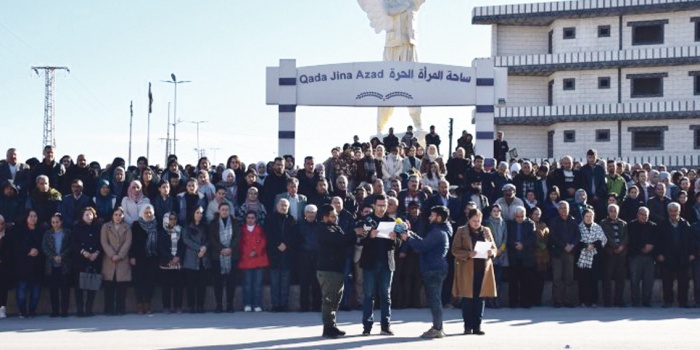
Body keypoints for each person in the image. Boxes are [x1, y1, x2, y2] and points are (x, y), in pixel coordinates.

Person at [400, 205, 451, 339]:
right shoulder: (439, 230)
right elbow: (424, 242)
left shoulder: (437, 232)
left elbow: (422, 246)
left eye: (432, 215)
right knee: (435, 299)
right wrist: (411, 234)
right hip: (436, 268)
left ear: (439, 218)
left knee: (435, 300)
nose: (429, 217)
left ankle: (437, 328)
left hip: (434, 269)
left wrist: (408, 239)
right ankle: (437, 326)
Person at [356, 195, 401, 336]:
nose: (382, 208)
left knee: (385, 295)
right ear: (374, 206)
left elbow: (398, 244)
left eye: (384, 205)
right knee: (369, 294)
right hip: (370, 262)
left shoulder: (391, 221)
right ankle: (367, 326)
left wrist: (395, 239)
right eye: (380, 205)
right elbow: (360, 240)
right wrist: (370, 236)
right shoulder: (368, 220)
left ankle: (385, 326)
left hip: (387, 263)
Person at [452, 208, 497, 335]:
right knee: (467, 299)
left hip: (483, 269)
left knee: (480, 298)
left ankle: (477, 326)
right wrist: (468, 254)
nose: (476, 223)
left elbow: (494, 248)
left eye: (478, 220)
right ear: (469, 220)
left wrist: (491, 253)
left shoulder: (486, 230)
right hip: (467, 270)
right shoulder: (461, 231)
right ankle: (467, 326)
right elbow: (454, 250)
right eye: (474, 221)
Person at [316, 204, 356, 338]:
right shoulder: (322, 228)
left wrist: (358, 233)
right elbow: (339, 240)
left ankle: (332, 325)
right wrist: (354, 232)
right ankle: (327, 328)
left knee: (336, 299)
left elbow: (346, 241)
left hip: (337, 268)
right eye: (333, 216)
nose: (336, 218)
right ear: (325, 217)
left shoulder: (335, 227)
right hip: (327, 269)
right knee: (329, 299)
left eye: (336, 216)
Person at [656, 202, 695, 308]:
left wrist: (691, 253)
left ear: (679, 211)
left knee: (684, 281)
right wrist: (659, 254)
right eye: (671, 211)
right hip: (667, 257)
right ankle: (668, 301)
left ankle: (683, 302)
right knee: (667, 281)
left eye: (675, 211)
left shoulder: (685, 224)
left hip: (682, 257)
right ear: (668, 211)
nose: (673, 213)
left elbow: (691, 240)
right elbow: (658, 241)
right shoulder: (662, 224)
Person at [265, 198, 297, 312]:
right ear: (277, 206)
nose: (283, 207)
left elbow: (294, 235)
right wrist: (278, 244)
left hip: (287, 254)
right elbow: (268, 234)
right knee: (275, 282)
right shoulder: (270, 219)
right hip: (274, 253)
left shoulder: (292, 219)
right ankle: (275, 305)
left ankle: (284, 305)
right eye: (281, 205)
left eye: (286, 205)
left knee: (285, 282)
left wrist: (286, 244)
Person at [209, 202, 240, 313]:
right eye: (223, 209)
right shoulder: (213, 223)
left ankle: (230, 305)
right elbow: (211, 239)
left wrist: (230, 248)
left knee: (231, 282)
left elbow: (237, 237)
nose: (225, 211)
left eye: (227, 209)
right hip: (217, 256)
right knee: (218, 282)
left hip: (232, 255)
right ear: (219, 210)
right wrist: (221, 249)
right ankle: (218, 305)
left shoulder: (236, 222)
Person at [101, 207, 132, 316]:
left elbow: (128, 242)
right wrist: (112, 254)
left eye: (120, 215)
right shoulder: (105, 227)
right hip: (109, 260)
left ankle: (120, 309)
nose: (118, 217)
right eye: (116, 214)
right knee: (109, 286)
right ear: (112, 215)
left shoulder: (127, 227)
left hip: (122, 260)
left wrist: (119, 255)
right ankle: (108, 309)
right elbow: (104, 242)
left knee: (121, 287)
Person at [548, 201, 580, 308]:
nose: (563, 210)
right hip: (557, 253)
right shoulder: (554, 221)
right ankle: (557, 301)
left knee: (569, 278)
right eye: (561, 208)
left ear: (569, 209)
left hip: (570, 253)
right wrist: (564, 246)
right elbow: (553, 236)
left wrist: (572, 245)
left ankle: (568, 300)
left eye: (565, 208)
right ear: (558, 210)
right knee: (557, 278)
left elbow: (577, 235)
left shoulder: (574, 221)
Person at [130, 204, 159, 314]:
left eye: (150, 212)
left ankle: (148, 303)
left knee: (150, 281)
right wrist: (132, 256)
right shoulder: (136, 225)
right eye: (146, 212)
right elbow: (132, 242)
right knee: (139, 281)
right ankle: (139, 304)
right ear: (142, 213)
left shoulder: (157, 224)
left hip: (152, 257)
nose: (148, 214)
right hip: (138, 257)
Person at [14, 210, 44, 318]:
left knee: (35, 292)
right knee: (21, 292)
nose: (33, 218)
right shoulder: (19, 231)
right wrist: (28, 251)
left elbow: (44, 245)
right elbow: (16, 246)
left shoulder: (41, 231)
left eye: (35, 216)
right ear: (26, 217)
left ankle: (32, 311)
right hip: (23, 265)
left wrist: (37, 251)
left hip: (37, 265)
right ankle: (22, 311)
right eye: (30, 216)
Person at [42, 213, 72, 317]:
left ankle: (64, 311)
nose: (55, 224)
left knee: (65, 290)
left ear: (61, 222)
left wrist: (62, 256)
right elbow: (44, 247)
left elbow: (70, 246)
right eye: (53, 222)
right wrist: (53, 256)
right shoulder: (47, 233)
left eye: (57, 222)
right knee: (53, 290)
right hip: (52, 265)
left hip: (64, 265)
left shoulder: (67, 232)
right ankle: (55, 311)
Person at [238, 211, 269, 312]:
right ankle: (247, 304)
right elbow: (240, 244)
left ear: (255, 219)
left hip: (259, 259)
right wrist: (248, 253)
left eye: (252, 218)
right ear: (246, 219)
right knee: (247, 284)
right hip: (246, 260)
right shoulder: (242, 230)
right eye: (248, 218)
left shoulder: (260, 229)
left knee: (258, 284)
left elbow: (263, 242)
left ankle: (257, 304)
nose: (250, 219)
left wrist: (256, 251)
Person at [576, 209, 607, 307]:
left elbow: (602, 239)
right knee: (583, 279)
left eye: (591, 216)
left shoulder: (597, 227)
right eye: (587, 216)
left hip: (595, 255)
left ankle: (594, 300)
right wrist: (585, 245)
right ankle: (583, 301)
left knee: (593, 279)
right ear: (583, 217)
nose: (589, 218)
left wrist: (592, 245)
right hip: (582, 256)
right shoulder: (579, 227)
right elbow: (577, 240)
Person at [182, 206, 210, 313]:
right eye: (197, 212)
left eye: (201, 213)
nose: (199, 215)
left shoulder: (205, 227)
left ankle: (200, 305)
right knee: (190, 284)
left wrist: (204, 248)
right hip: (191, 258)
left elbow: (208, 239)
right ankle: (191, 305)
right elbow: (186, 240)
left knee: (202, 284)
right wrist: (199, 248)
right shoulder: (187, 227)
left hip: (203, 259)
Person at [507, 206, 536, 308]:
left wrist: (523, 244)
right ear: (515, 216)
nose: (519, 218)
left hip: (526, 256)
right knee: (513, 281)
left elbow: (532, 237)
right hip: (514, 256)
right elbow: (507, 237)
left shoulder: (530, 224)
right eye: (518, 216)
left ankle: (526, 302)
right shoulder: (510, 224)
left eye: (521, 216)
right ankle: (513, 302)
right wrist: (515, 245)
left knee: (526, 281)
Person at [600, 204, 628, 307]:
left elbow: (626, 236)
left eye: (615, 211)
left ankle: (619, 300)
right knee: (607, 278)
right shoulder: (603, 223)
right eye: (611, 211)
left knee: (620, 278)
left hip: (621, 254)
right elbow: (605, 236)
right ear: (608, 212)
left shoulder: (623, 223)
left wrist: (621, 246)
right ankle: (607, 301)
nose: (613, 213)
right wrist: (615, 246)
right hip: (609, 253)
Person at [627, 207, 657, 307]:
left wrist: (651, 246)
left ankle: (646, 301)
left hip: (650, 257)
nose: (644, 217)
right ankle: (635, 301)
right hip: (635, 256)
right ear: (637, 214)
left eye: (646, 215)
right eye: (642, 214)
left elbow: (656, 240)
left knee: (648, 280)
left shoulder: (653, 226)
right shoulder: (631, 225)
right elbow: (631, 240)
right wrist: (642, 248)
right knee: (635, 279)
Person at [158, 212, 184, 313]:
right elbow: (160, 247)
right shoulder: (162, 232)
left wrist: (177, 257)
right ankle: (166, 306)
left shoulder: (180, 230)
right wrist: (170, 258)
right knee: (166, 286)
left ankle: (178, 306)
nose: (173, 221)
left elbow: (182, 245)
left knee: (178, 286)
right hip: (166, 262)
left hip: (177, 262)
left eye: (174, 219)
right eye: (171, 219)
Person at [298, 204, 321, 312]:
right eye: (309, 212)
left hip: (317, 256)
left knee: (316, 282)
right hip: (303, 256)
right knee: (304, 282)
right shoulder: (299, 225)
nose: (311, 214)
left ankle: (317, 305)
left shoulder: (320, 225)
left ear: (316, 214)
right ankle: (304, 306)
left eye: (313, 212)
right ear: (305, 214)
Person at [485, 204, 507, 309]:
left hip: (500, 255)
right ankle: (489, 299)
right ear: (491, 212)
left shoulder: (503, 223)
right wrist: (493, 250)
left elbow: (505, 238)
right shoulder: (487, 223)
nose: (496, 213)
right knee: (490, 279)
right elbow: (487, 239)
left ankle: (496, 299)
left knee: (498, 279)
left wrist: (500, 250)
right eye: (494, 211)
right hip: (490, 255)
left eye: (498, 211)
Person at [530, 207, 550, 306]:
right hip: (532, 255)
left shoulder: (544, 225)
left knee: (540, 279)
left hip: (543, 257)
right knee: (532, 279)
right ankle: (532, 299)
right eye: (535, 214)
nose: (537, 216)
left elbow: (547, 239)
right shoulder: (529, 224)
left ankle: (538, 300)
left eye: (538, 214)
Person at [0, 215, 13, 319]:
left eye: (1, 223)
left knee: (3, 287)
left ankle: (2, 308)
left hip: (4, 265)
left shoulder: (8, 235)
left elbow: (10, 250)